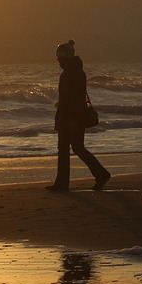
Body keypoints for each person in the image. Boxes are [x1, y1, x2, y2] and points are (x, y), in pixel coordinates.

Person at [47, 39, 110, 192]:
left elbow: (75, 99)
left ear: (66, 57)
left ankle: (62, 184)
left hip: (70, 117)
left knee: (67, 149)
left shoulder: (72, 73)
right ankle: (100, 174)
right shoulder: (75, 71)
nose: (58, 59)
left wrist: (73, 120)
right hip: (70, 116)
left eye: (60, 56)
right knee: (77, 148)